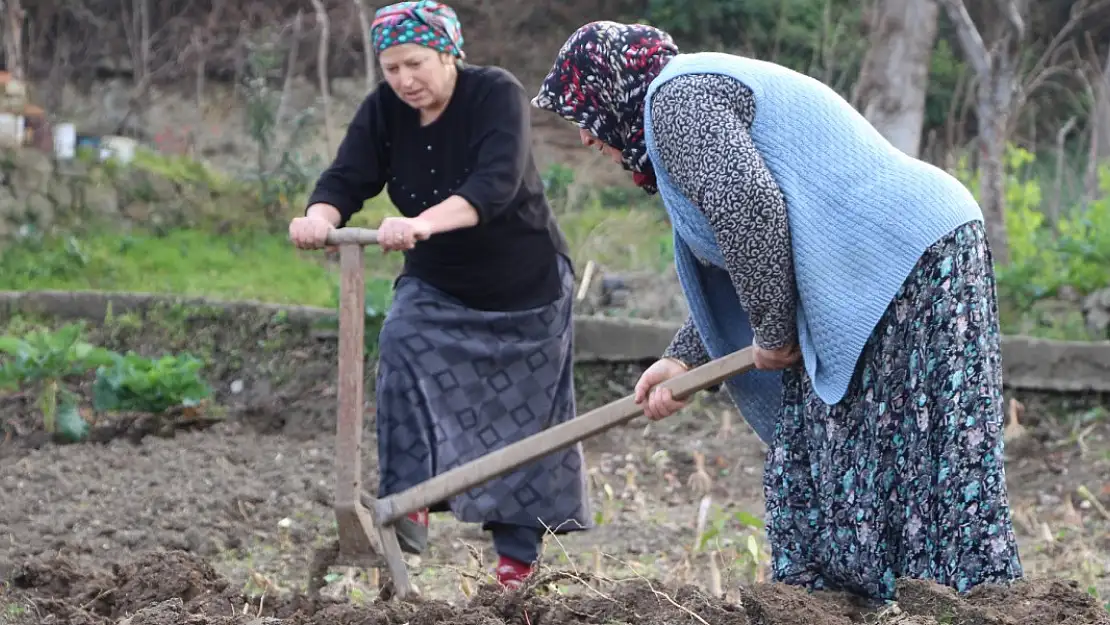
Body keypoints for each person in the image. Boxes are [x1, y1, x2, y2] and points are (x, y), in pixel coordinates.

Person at [532, 21, 1023, 603]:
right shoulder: (682, 106)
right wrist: (682, 359)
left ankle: (948, 606)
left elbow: (752, 210)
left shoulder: (676, 102)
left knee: (912, 448)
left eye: (584, 113)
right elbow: (746, 248)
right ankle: (842, 605)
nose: (586, 138)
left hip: (904, 256)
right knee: (831, 453)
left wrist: (772, 331)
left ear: (614, 91)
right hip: (902, 254)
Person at [288, 0, 590, 589]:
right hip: (439, 281)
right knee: (401, 344)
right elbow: (347, 176)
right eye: (392, 68)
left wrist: (424, 221)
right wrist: (317, 216)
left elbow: (495, 183)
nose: (404, 80)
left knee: (521, 425)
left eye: (416, 64)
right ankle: (406, 509)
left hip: (523, 287)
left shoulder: (494, 94)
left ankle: (514, 566)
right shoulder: (384, 111)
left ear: (450, 53)